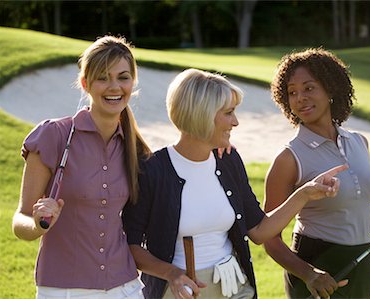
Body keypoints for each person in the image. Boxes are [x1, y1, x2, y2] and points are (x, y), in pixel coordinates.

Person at [122, 68, 348, 299]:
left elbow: (259, 232)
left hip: (233, 286)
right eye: (229, 113)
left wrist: (305, 194)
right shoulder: (151, 170)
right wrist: (171, 274)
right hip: (179, 291)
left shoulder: (228, 160)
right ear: (202, 114)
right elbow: (131, 245)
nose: (236, 122)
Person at [263, 47, 370, 299]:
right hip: (316, 269)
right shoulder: (289, 158)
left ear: (331, 88)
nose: (300, 98)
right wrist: (308, 273)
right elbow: (269, 236)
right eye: (292, 92)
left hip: (362, 263)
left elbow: (357, 213)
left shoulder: (358, 142)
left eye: (309, 88)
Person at [12, 35, 151, 299]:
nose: (114, 87)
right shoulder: (53, 135)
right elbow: (21, 220)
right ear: (86, 84)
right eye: (103, 77)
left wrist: (219, 149)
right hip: (66, 288)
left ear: (132, 82)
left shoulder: (133, 146)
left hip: (126, 286)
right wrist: (39, 225)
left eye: (123, 77)